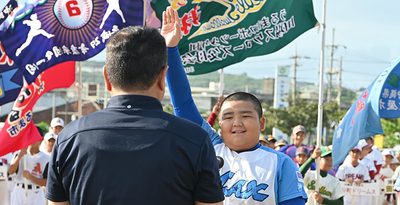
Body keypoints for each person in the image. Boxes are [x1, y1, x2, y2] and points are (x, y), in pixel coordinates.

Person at [45, 7, 224, 205]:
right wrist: (170, 49)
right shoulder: (194, 140)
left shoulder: (69, 139)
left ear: (106, 77)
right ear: (162, 78)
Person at [165, 7, 307, 205]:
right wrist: (170, 49)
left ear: (262, 122)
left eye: (246, 116)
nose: (237, 123)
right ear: (219, 123)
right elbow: (183, 103)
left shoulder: (282, 164)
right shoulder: (210, 147)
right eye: (228, 117)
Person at [8, 126, 49, 205]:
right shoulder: (19, 153)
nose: (31, 139)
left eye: (34, 137)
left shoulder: (47, 158)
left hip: (36, 193)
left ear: (41, 139)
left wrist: (30, 177)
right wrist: (20, 155)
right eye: (29, 136)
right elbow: (10, 171)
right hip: (19, 191)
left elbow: (46, 182)